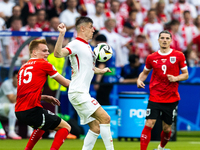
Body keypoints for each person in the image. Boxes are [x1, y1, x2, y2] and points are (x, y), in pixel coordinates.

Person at [54, 16, 115, 150]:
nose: (93, 31)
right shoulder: (75, 44)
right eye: (91, 27)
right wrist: (62, 34)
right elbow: (58, 53)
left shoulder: (88, 47)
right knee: (106, 118)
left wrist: (101, 70)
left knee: (95, 128)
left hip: (80, 93)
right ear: (82, 28)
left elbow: (89, 68)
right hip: (78, 92)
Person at [15, 39, 71, 150]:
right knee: (65, 127)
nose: (47, 53)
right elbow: (66, 83)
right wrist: (83, 83)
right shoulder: (44, 64)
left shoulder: (23, 67)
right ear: (34, 52)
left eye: (48, 50)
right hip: (32, 110)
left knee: (42, 125)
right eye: (44, 51)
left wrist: (43, 97)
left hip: (19, 112)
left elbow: (23, 93)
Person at [137, 30, 189, 150]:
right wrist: (139, 80)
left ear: (171, 40)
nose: (164, 40)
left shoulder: (178, 55)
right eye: (162, 38)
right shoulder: (151, 57)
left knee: (166, 128)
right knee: (149, 123)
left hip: (171, 97)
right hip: (155, 96)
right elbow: (144, 73)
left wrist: (176, 78)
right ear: (158, 40)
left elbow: (186, 75)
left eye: (167, 38)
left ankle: (160, 148)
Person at [0, 70, 22, 139]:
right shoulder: (6, 84)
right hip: (2, 106)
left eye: (20, 78)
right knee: (14, 105)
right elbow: (12, 100)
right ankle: (11, 131)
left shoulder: (22, 84)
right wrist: (21, 89)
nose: (18, 80)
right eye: (17, 78)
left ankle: (30, 133)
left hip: (12, 109)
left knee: (30, 108)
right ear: (12, 78)